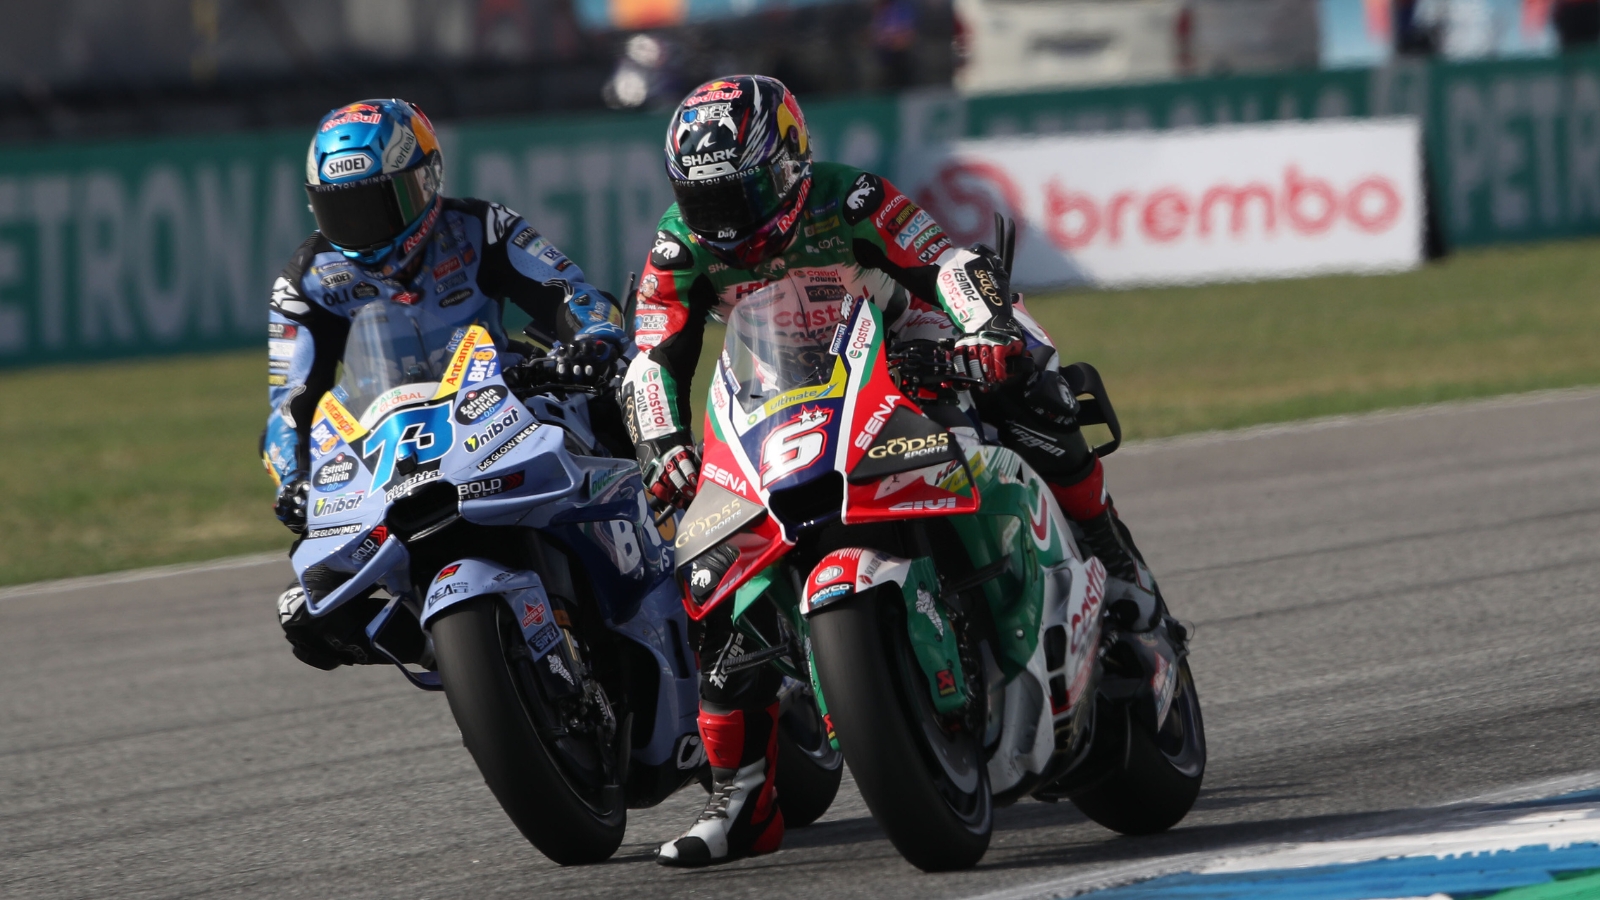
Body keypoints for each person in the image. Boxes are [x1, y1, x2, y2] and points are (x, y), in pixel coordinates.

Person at [622, 74, 1164, 867]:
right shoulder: (679, 246)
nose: (725, 219)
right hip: (779, 401)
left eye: (742, 193)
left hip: (911, 351)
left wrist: (984, 329)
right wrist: (661, 442)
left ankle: (1112, 555)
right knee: (714, 577)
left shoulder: (850, 198)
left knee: (1035, 390)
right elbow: (651, 356)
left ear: (788, 166)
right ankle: (739, 798)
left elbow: (945, 262)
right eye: (706, 200)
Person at [263, 98, 626, 670]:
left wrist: (593, 340)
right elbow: (289, 405)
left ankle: (668, 544)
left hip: (503, 398)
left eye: (379, 201)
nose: (363, 224)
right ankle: (442, 652)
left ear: (426, 180)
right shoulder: (309, 277)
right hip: (387, 443)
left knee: (611, 399)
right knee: (306, 613)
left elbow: (569, 293)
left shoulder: (481, 227)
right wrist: (293, 480)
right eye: (342, 208)